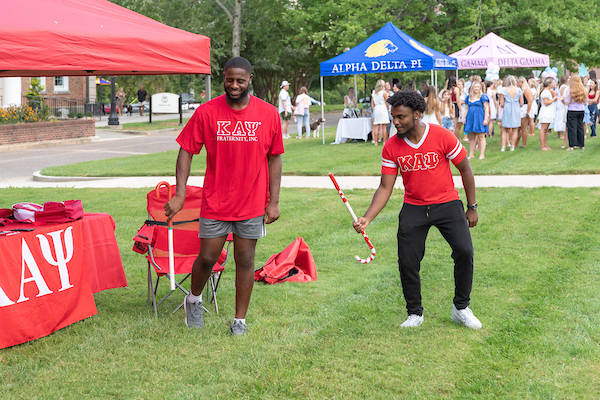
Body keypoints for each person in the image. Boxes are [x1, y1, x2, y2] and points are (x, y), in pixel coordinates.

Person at [164, 57, 284, 335]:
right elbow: (186, 151)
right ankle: (193, 299)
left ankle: (239, 320)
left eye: (240, 80)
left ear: (249, 80)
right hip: (216, 200)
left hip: (252, 201)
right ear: (224, 78)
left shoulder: (268, 114)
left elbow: (275, 158)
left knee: (245, 259)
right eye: (230, 79)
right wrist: (180, 193)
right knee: (207, 257)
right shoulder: (207, 112)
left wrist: (274, 200)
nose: (234, 85)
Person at [352, 90, 481, 330]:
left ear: (418, 114)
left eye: (401, 117)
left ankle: (461, 308)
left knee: (465, 251)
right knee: (408, 261)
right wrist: (367, 218)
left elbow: (466, 170)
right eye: (393, 117)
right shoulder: (391, 147)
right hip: (414, 206)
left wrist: (471, 207)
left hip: (447, 203)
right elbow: (385, 186)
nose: (396, 122)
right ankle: (414, 313)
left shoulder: (442, 136)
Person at [464, 81, 490, 160]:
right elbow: (467, 108)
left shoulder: (483, 97)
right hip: (470, 118)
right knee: (471, 137)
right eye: (475, 87)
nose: (476, 88)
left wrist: (485, 119)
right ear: (472, 88)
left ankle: (482, 154)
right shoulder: (469, 97)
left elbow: (486, 108)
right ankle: (471, 154)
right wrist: (464, 118)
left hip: (479, 118)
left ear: (480, 88)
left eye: (478, 87)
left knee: (481, 136)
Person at [499, 75, 523, 152]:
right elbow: (521, 103)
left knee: (505, 129)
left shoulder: (503, 90)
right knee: (515, 129)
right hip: (516, 109)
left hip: (507, 109)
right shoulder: (519, 90)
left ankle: (503, 146)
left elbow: (502, 104)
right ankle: (512, 146)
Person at [564, 75, 586, 150]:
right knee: (580, 126)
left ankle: (572, 145)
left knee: (572, 127)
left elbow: (567, 102)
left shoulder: (570, 90)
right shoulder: (583, 90)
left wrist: (563, 100)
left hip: (572, 110)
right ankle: (581, 145)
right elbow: (585, 102)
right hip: (581, 110)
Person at [371, 79, 390, 145]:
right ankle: (384, 141)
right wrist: (387, 109)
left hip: (377, 108)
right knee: (384, 126)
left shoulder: (374, 92)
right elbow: (387, 102)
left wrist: (373, 109)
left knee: (376, 126)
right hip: (382, 108)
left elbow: (372, 103)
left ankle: (375, 142)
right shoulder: (384, 93)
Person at [516, 77, 533, 148]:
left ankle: (524, 144)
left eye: (518, 82)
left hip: (525, 109)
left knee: (523, 127)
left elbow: (530, 101)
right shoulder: (520, 90)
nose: (517, 84)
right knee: (519, 128)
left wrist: (528, 112)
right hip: (521, 109)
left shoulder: (526, 90)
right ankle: (516, 143)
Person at [554, 75, 568, 141]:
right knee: (561, 117)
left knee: (559, 117)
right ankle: (561, 134)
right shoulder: (563, 86)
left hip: (560, 103)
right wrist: (564, 103)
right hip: (561, 103)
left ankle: (559, 133)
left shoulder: (561, 86)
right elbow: (562, 96)